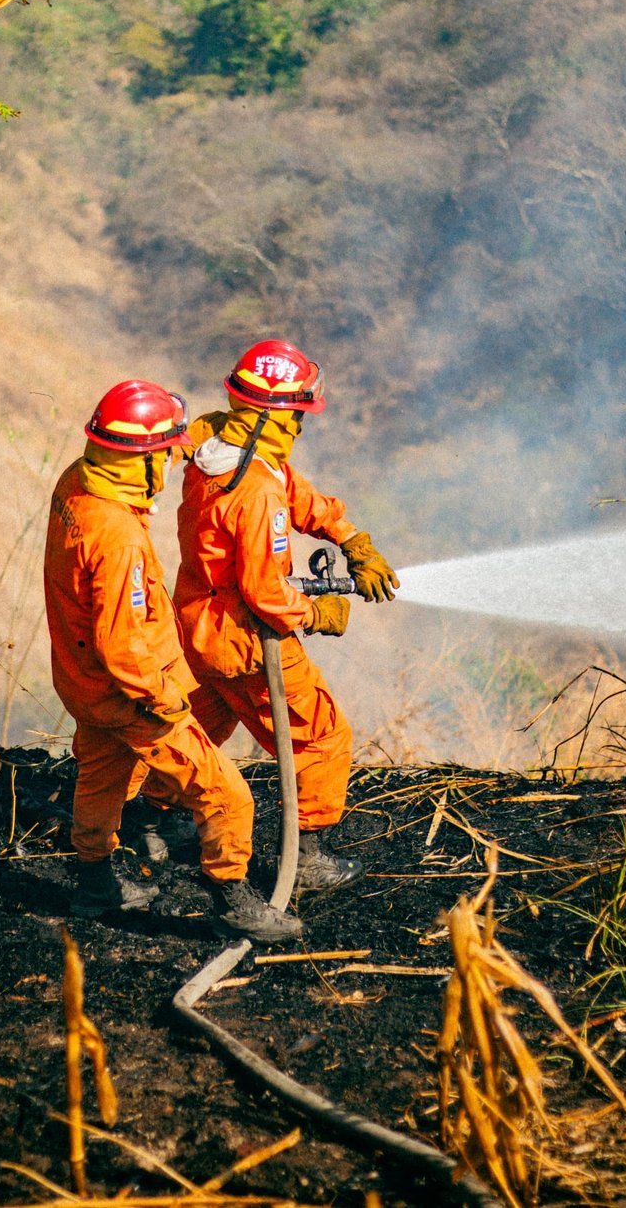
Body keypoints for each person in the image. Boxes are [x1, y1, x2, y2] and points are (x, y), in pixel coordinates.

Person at [43, 378, 303, 943]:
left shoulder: (78, 483)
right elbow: (124, 646)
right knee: (225, 791)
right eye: (161, 454)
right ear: (137, 461)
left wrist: (215, 429)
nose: (167, 464)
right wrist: (166, 699)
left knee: (101, 777)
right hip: (130, 691)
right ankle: (233, 900)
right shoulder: (118, 540)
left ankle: (94, 885)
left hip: (82, 682)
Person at [174, 341, 399, 892]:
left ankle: (156, 824)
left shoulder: (217, 446)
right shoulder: (255, 495)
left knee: (200, 725)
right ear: (274, 417)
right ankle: (308, 858)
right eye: (296, 412)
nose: (301, 422)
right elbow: (267, 591)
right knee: (320, 736)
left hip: (197, 624)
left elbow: (292, 488)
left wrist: (349, 538)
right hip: (245, 641)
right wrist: (319, 611)